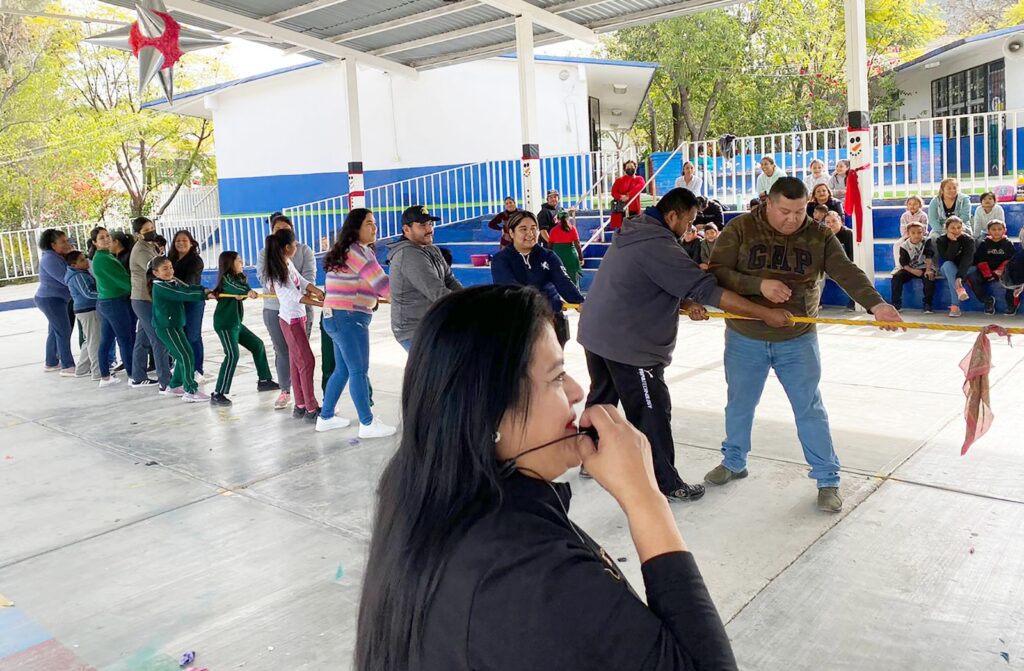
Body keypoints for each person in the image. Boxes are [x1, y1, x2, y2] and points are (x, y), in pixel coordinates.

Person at [354, 285, 738, 671]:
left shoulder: (425, 487)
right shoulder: (528, 574)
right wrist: (645, 499)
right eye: (556, 378)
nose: (577, 391)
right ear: (491, 410)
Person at [578, 187, 793, 503]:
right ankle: (666, 483)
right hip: (629, 345)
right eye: (689, 222)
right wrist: (765, 314)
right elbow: (711, 292)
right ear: (671, 216)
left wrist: (686, 299)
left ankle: (588, 454)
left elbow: (652, 281)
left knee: (603, 399)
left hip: (597, 334)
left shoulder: (636, 230)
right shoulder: (659, 245)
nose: (691, 229)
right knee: (651, 412)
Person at [706, 177, 902, 513]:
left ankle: (827, 480)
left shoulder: (818, 234)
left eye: (800, 211)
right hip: (744, 336)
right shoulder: (740, 228)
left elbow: (846, 271)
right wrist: (759, 285)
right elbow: (717, 272)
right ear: (767, 201)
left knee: (809, 409)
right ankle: (734, 461)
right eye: (785, 211)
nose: (793, 219)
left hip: (797, 339)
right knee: (739, 404)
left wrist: (876, 304)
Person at [318, 209, 396, 439]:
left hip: (334, 317)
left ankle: (326, 417)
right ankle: (367, 423)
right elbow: (383, 285)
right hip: (349, 318)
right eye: (369, 223)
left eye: (375, 223)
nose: (374, 228)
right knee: (358, 370)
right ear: (355, 228)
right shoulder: (359, 251)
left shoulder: (344, 250)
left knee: (342, 370)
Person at [491, 211, 585, 348]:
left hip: (551, 320)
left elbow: (563, 282)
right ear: (511, 233)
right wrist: (546, 303)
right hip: (519, 322)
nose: (530, 233)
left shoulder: (548, 256)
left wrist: (579, 301)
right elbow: (512, 290)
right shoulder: (501, 260)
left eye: (534, 228)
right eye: (523, 229)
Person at [262, 227, 325, 421]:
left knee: (298, 362)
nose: (297, 246)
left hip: (297, 318)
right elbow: (295, 296)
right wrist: (321, 303)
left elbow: (302, 282)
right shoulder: (277, 271)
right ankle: (311, 408)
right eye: (295, 244)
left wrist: (318, 291)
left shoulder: (286, 262)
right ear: (288, 247)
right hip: (291, 321)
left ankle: (301, 405)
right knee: (306, 362)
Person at [386, 205, 462, 351]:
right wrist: (468, 307)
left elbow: (450, 280)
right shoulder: (408, 254)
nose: (429, 229)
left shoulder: (432, 249)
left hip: (432, 324)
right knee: (439, 371)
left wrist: (468, 299)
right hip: (414, 330)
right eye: (422, 225)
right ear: (406, 229)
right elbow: (437, 292)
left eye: (430, 224)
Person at [209, 252, 279, 406]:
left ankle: (264, 380)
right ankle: (218, 393)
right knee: (232, 355)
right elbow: (235, 287)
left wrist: (246, 293)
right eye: (238, 261)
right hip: (225, 324)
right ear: (229, 264)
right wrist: (246, 292)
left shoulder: (240, 277)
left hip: (236, 323)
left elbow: (243, 288)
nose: (242, 263)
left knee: (257, 345)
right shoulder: (226, 279)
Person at [147, 256, 211, 403]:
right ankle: (190, 390)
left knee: (185, 354)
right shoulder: (161, 286)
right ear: (155, 273)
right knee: (185, 356)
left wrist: (204, 290)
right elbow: (181, 294)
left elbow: (186, 288)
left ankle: (174, 385)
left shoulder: (171, 283)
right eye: (164, 269)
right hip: (167, 327)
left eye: (170, 267)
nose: (169, 271)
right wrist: (203, 295)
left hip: (175, 325)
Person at [127, 216, 169, 390]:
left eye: (152, 227)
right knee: (159, 339)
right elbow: (157, 271)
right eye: (147, 230)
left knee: (143, 339)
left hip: (146, 299)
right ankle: (166, 382)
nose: (152, 231)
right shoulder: (141, 251)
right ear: (138, 234)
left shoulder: (149, 246)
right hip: (144, 300)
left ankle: (137, 376)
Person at [92, 230, 136, 386]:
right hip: (114, 302)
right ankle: (133, 375)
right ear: (94, 243)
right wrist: (140, 289)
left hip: (107, 302)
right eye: (101, 238)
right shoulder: (104, 259)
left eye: (107, 236)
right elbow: (122, 280)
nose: (106, 239)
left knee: (107, 339)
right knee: (125, 339)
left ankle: (105, 376)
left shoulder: (105, 256)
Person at [34, 229, 75, 375]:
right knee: (63, 330)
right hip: (50, 300)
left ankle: (51, 362)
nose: (67, 244)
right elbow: (66, 279)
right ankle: (67, 365)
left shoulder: (58, 256)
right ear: (52, 245)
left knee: (55, 330)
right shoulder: (49, 259)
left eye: (67, 240)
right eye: (62, 242)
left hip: (57, 299)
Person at [168, 230, 206, 379]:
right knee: (179, 335)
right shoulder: (170, 259)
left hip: (193, 302)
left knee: (193, 336)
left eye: (184, 240)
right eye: (178, 240)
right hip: (176, 302)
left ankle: (197, 369)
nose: (181, 243)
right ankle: (180, 365)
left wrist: (172, 280)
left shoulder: (196, 260)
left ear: (191, 243)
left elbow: (191, 282)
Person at [64, 251, 101, 380]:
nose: (86, 261)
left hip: (87, 310)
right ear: (74, 265)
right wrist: (105, 294)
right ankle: (98, 372)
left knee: (89, 340)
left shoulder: (80, 274)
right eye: (81, 260)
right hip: (88, 310)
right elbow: (88, 293)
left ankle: (82, 369)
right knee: (94, 341)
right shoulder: (77, 276)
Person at [968, 219, 1016, 315]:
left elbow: (1011, 260)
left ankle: (1011, 305)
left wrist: (1000, 270)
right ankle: (987, 301)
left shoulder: (1008, 244)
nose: (997, 232)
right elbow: (980, 259)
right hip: (986, 271)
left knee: (1013, 279)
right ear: (988, 231)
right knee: (972, 278)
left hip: (1003, 271)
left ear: (1004, 230)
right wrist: (988, 273)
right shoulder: (984, 243)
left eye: (999, 229)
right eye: (993, 229)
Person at [890, 222, 937, 313]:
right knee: (896, 277)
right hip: (910, 268)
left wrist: (928, 270)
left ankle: (928, 304)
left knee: (930, 278)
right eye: (913, 233)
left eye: (919, 232)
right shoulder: (904, 245)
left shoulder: (927, 241)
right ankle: (896, 304)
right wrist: (913, 271)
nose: (917, 235)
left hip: (925, 267)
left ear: (923, 233)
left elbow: (929, 256)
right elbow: (903, 263)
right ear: (908, 234)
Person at [935, 216, 976, 318]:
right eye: (953, 228)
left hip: (966, 268)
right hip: (947, 268)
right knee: (948, 266)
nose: (956, 230)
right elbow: (948, 258)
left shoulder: (969, 240)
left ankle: (955, 306)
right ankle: (959, 290)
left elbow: (967, 260)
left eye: (959, 227)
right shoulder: (941, 240)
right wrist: (953, 242)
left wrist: (959, 277)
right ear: (946, 228)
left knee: (952, 277)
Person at [548, 210, 584, 287]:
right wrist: (581, 258)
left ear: (558, 219)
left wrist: (549, 259)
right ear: (568, 219)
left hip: (557, 257)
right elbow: (577, 244)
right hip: (571, 257)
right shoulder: (572, 229)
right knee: (573, 281)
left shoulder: (553, 230)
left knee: (559, 279)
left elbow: (550, 246)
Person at [893, 196, 930, 271]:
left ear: (920, 205)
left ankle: (930, 266)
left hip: (920, 237)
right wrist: (909, 238)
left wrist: (917, 237)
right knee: (897, 245)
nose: (912, 206)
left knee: (929, 244)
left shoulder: (923, 215)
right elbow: (903, 229)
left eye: (915, 204)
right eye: (910, 204)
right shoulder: (904, 216)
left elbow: (924, 229)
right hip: (908, 237)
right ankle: (898, 266)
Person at [610, 160, 646, 230]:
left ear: (635, 168)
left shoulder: (639, 179)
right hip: (620, 208)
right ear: (624, 169)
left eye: (632, 166)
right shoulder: (619, 180)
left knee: (634, 228)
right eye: (628, 167)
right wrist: (620, 197)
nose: (630, 168)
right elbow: (613, 192)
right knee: (621, 228)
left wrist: (628, 196)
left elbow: (639, 187)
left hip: (634, 208)